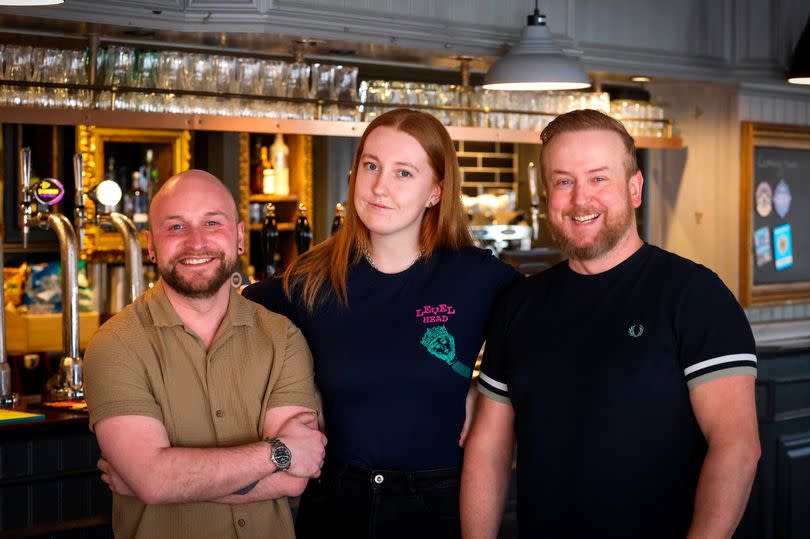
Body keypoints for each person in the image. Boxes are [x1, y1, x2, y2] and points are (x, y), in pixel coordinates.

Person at [461, 109, 761, 539]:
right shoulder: (519, 304)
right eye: (563, 181)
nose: (581, 199)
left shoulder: (694, 295)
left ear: (634, 188)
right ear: (548, 194)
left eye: (599, 178)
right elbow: (489, 448)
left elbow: (736, 448)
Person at [242, 108, 519, 538]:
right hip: (336, 504)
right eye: (371, 166)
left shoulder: (477, 277)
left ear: (435, 191)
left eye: (404, 173)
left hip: (439, 504)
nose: (379, 187)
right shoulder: (311, 280)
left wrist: (486, 394)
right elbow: (224, 314)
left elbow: (549, 335)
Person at [83, 170, 326, 539]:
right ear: (150, 245)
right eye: (176, 227)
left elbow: (293, 481)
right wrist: (277, 454)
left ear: (240, 236)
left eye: (212, 222)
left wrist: (167, 481)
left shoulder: (284, 337)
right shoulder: (115, 345)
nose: (197, 243)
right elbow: (153, 480)